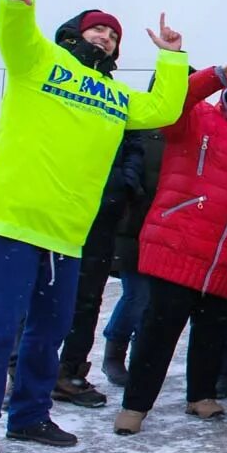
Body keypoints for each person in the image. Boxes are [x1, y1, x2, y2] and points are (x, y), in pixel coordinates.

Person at [0, 0, 188, 453]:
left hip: (68, 233)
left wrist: (170, 57)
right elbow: (16, 35)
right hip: (14, 221)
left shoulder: (115, 96)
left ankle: (30, 416)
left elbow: (163, 109)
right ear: (71, 35)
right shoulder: (39, 62)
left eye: (113, 35)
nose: (105, 37)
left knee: (49, 332)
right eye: (97, 30)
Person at [114, 65, 227, 435]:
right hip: (178, 246)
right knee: (158, 331)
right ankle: (135, 405)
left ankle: (201, 395)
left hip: (226, 258)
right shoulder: (197, 121)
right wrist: (216, 75)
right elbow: (178, 99)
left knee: (211, 331)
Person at [51, 127, 145, 408]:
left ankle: (71, 372)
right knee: (40, 297)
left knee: (88, 300)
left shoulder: (116, 104)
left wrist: (122, 186)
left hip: (106, 215)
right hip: (58, 210)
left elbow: (132, 150)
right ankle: (20, 374)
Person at [100, 127, 164, 388]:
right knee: (138, 295)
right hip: (133, 229)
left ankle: (141, 357)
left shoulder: (191, 133)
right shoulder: (141, 132)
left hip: (165, 231)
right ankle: (114, 353)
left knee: (155, 301)